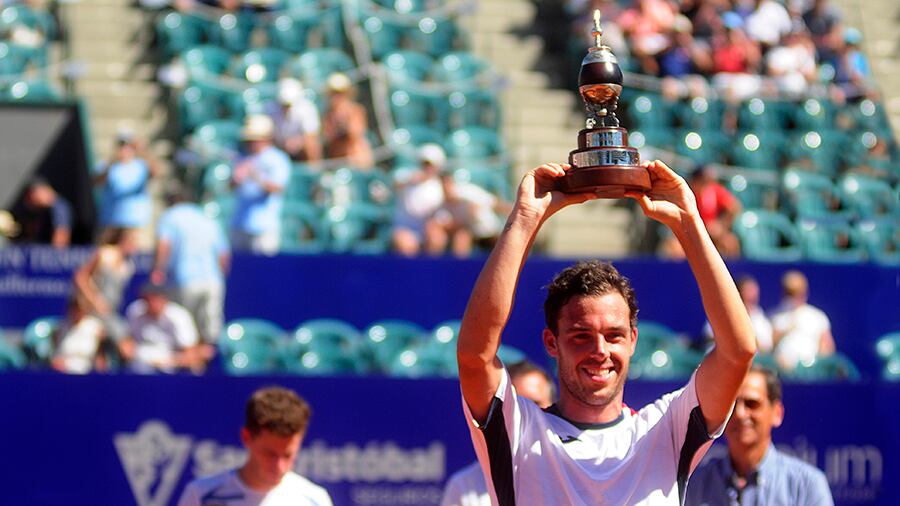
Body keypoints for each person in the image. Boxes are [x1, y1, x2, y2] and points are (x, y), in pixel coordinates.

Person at [456, 160, 756, 504]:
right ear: (552, 342)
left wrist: (689, 223)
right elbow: (474, 355)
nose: (600, 350)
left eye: (614, 335)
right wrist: (524, 220)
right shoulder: (519, 430)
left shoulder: (666, 429)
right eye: (581, 335)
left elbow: (738, 351)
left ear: (633, 340)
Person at [685, 366, 834, 505]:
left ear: (777, 413)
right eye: (731, 405)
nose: (740, 414)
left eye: (752, 404)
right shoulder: (694, 484)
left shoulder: (806, 485)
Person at [178, 386, 333, 506]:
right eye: (270, 454)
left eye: (287, 455)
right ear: (246, 437)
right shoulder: (201, 495)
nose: (279, 466)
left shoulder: (315, 499)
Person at [441, 360, 555, 506]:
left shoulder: (570, 467)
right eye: (517, 404)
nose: (527, 412)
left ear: (553, 406)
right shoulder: (464, 485)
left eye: (535, 403)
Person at [152, 187, 230, 346]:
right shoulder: (207, 218)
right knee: (210, 330)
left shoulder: (170, 216)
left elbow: (164, 245)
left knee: (185, 328)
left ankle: (194, 359)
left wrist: (158, 270)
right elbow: (223, 254)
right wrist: (220, 276)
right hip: (213, 281)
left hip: (185, 280)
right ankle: (207, 359)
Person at [230, 114, 291, 255]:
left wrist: (255, 176)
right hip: (240, 223)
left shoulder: (277, 159)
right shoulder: (243, 157)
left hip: (264, 226)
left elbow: (277, 189)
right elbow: (231, 187)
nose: (251, 143)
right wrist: (237, 178)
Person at [120, 281, 211, 374]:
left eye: (155, 298)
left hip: (172, 368)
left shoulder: (179, 317)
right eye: (147, 299)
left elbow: (191, 352)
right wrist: (129, 351)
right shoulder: (135, 311)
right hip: (140, 364)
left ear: (164, 299)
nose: (152, 302)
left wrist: (170, 362)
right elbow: (127, 342)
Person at [73, 227, 137, 341]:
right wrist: (94, 301)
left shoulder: (129, 265)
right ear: (123, 240)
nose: (135, 245)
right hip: (92, 310)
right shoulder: (104, 254)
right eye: (132, 241)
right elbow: (81, 277)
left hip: (111, 311)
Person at [93, 132, 161, 239]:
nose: (125, 149)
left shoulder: (141, 165)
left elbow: (157, 173)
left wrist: (144, 151)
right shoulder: (107, 165)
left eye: (128, 146)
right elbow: (96, 182)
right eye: (122, 145)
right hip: (111, 222)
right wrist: (111, 162)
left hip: (136, 222)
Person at [434, 171, 512, 257]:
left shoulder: (469, 192)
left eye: (448, 183)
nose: (446, 187)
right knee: (462, 238)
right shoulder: (441, 206)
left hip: (491, 233)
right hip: (472, 235)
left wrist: (515, 213)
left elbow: (495, 204)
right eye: (443, 184)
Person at [769, 270, 836, 372]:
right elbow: (768, 346)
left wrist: (815, 365)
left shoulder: (818, 316)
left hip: (811, 372)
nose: (794, 297)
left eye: (797, 292)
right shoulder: (774, 316)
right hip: (781, 371)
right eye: (790, 293)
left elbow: (827, 347)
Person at [391, 143, 447, 256]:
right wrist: (411, 180)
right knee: (405, 244)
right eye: (424, 163)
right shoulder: (406, 176)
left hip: (428, 229)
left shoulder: (441, 186)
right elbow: (395, 184)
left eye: (430, 164)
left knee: (437, 239)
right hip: (405, 228)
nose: (427, 167)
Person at [704, 275, 773, 354]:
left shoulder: (761, 320)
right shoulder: (722, 312)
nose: (753, 294)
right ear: (738, 293)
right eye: (749, 291)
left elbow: (765, 347)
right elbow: (709, 336)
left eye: (754, 291)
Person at [321, 72, 373, 169]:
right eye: (334, 93)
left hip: (356, 161)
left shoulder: (356, 110)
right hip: (338, 162)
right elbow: (327, 137)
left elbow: (356, 134)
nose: (337, 96)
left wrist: (344, 119)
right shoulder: (328, 115)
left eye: (340, 93)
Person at [267, 77, 322, 162]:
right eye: (284, 104)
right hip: (279, 146)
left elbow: (311, 135)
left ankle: (314, 168)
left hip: (300, 146)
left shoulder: (307, 109)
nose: (286, 108)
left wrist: (297, 142)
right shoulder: (270, 109)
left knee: (311, 144)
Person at [51, 295, 108, 374]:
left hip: (88, 370)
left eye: (78, 309)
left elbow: (101, 355)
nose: (76, 312)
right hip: (63, 371)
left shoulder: (95, 326)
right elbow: (55, 353)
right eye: (74, 309)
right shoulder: (61, 327)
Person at [15, 177, 72, 248]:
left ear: (41, 190)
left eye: (32, 194)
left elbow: (61, 240)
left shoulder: (60, 208)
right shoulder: (41, 210)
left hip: (53, 253)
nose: (31, 199)